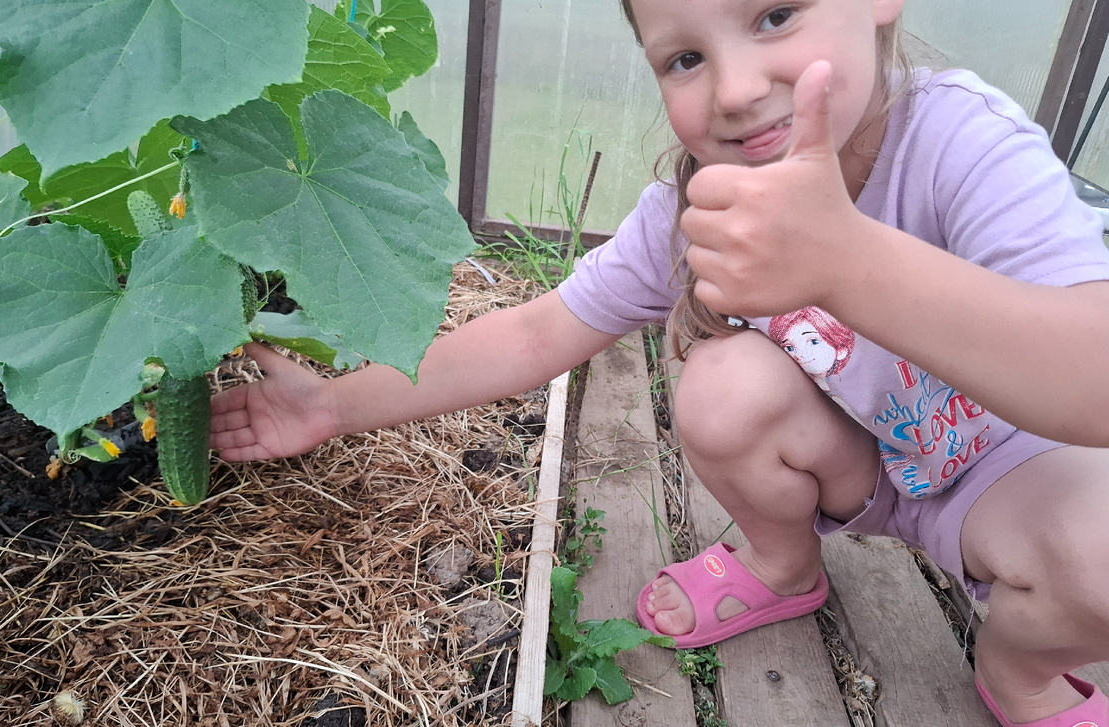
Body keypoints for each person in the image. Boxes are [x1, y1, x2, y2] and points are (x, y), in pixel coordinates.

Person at [209, 0, 1109, 723]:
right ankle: (782, 564)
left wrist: (845, 259)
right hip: (866, 466)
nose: (734, 87)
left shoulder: (960, 139)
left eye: (775, 16)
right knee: (723, 389)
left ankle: (1021, 672)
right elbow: (535, 333)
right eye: (684, 57)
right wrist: (330, 407)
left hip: (1011, 467)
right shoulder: (695, 208)